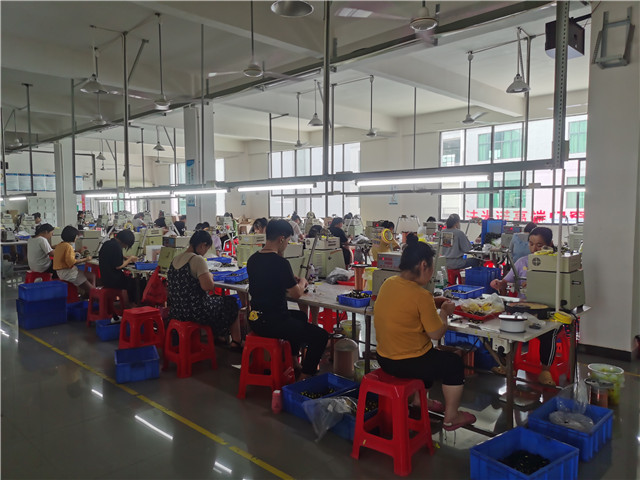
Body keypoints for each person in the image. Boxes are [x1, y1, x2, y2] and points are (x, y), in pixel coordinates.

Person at [374, 235, 476, 431]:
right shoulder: (421, 295)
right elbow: (436, 333)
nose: (431, 273)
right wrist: (444, 313)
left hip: (384, 358)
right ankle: (451, 417)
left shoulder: (389, 283)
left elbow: (407, 307)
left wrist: (433, 302)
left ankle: (419, 401)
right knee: (453, 363)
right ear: (423, 265)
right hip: (406, 363)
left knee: (427, 353)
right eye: (431, 268)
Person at [247, 219, 329, 380]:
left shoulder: (253, 259)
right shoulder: (281, 263)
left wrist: (289, 279)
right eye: (288, 241)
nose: (287, 245)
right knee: (320, 336)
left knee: (300, 316)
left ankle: (294, 361)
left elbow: (268, 282)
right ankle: (305, 377)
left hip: (255, 319)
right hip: (273, 322)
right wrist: (302, 282)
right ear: (281, 239)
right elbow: (296, 294)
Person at [490, 226, 560, 386]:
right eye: (531, 244)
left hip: (548, 311)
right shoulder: (522, 262)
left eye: (540, 245)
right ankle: (507, 366)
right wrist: (499, 283)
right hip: (524, 310)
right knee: (505, 327)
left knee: (550, 332)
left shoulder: (556, 264)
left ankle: (545, 370)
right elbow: (505, 281)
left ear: (550, 244)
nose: (534, 249)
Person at [167, 230, 242, 349]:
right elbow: (208, 286)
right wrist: (210, 276)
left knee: (216, 300)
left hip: (177, 311)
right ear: (203, 245)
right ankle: (236, 342)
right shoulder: (197, 259)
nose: (205, 252)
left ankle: (219, 336)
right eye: (206, 249)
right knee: (231, 303)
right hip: (196, 312)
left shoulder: (175, 259)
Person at [99, 230, 138, 305]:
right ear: (125, 242)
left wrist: (124, 257)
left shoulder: (107, 243)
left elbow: (111, 257)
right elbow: (118, 266)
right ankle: (132, 304)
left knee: (130, 280)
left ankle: (130, 303)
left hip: (105, 278)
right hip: (114, 280)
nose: (125, 247)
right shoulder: (116, 247)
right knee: (134, 282)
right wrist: (130, 259)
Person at [53, 226, 95, 297]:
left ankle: (87, 295)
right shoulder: (68, 246)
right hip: (68, 273)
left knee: (92, 275)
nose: (76, 238)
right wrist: (86, 259)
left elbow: (66, 256)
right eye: (76, 236)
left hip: (61, 272)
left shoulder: (60, 245)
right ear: (72, 236)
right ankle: (93, 293)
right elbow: (71, 262)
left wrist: (78, 252)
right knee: (92, 288)